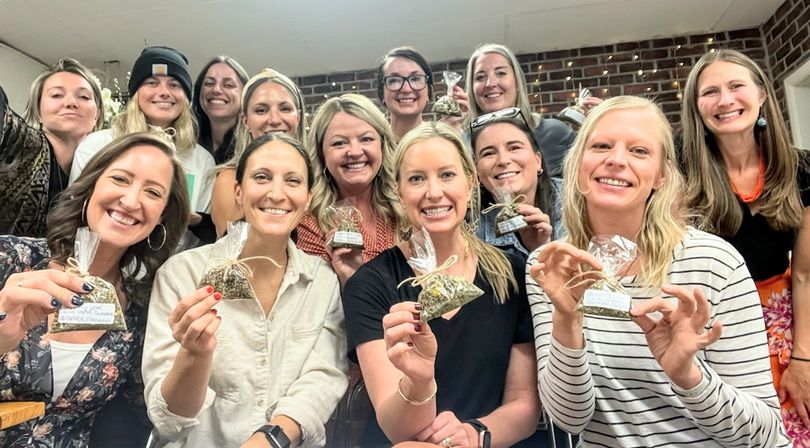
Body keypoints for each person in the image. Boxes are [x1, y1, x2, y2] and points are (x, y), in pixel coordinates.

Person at [527, 95, 790, 447]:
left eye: (639, 151)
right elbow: (569, 417)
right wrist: (566, 319)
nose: (616, 160)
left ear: (662, 176)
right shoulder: (552, 266)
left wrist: (688, 375)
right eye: (601, 145)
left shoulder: (713, 261)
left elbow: (763, 432)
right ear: (576, 165)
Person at [142, 132, 348, 447]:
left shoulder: (321, 279)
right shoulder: (182, 275)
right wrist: (193, 355)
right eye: (261, 177)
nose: (277, 194)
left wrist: (272, 438)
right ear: (238, 192)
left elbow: (323, 377)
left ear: (308, 198)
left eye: (293, 181)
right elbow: (168, 421)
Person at [342, 122, 540, 447]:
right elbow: (396, 429)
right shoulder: (370, 283)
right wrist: (419, 382)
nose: (434, 192)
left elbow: (524, 404)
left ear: (471, 181)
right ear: (399, 190)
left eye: (447, 175)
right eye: (417, 178)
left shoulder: (511, 272)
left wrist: (473, 434)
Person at [0, 132, 189, 448]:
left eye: (153, 192)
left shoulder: (140, 314)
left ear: (162, 217)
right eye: (120, 179)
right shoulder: (9, 260)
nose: (131, 201)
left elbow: (143, 421)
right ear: (91, 185)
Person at [680, 49, 810, 444]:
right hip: (712, 327)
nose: (725, 100)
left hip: (786, 325)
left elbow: (805, 273)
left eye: (736, 86)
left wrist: (803, 357)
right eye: (710, 92)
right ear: (695, 106)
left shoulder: (801, 168)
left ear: (761, 95)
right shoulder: (679, 172)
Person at [69, 45, 216, 246]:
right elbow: (74, 211)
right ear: (136, 92)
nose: (164, 92)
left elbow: (198, 236)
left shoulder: (202, 160)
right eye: (152, 83)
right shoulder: (98, 145)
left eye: (174, 85)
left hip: (166, 270)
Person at [296, 93, 402, 286]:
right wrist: (350, 280)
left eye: (366, 139)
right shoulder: (309, 221)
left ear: (383, 145)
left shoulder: (405, 206)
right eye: (339, 143)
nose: (354, 151)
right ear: (322, 154)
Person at [0, 57, 102, 237]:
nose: (71, 103)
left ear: (97, 115)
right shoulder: (20, 142)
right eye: (56, 95)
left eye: (84, 97)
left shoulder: (99, 175)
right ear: (38, 111)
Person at [465, 43, 599, 178]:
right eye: (480, 77)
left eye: (501, 73)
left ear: (517, 82)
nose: (490, 83)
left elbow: (593, 179)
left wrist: (603, 129)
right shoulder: (463, 144)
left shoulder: (553, 133)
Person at [210, 68, 306, 238]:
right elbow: (233, 255)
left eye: (284, 108)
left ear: (297, 118)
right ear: (245, 120)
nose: (275, 119)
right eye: (261, 110)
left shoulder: (319, 180)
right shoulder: (229, 181)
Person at [470, 107, 562, 260]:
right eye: (489, 153)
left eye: (514, 148)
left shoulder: (576, 202)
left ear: (537, 160)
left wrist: (542, 251)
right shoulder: (470, 231)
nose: (503, 160)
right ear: (477, 171)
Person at [376, 47, 468, 141]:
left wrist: (452, 137)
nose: (406, 89)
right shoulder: (373, 144)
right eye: (394, 80)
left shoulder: (444, 138)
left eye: (415, 79)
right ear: (382, 93)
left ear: (429, 91)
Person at [191, 55, 248, 164]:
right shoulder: (187, 145)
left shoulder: (253, 148)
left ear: (245, 95)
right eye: (209, 83)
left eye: (228, 85)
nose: (216, 90)